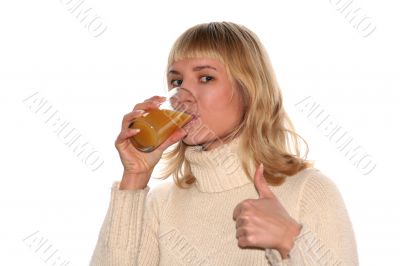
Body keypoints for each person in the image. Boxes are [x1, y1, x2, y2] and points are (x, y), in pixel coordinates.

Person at [90, 22, 358, 265]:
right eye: (176, 81)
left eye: (205, 77)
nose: (183, 95)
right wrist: (134, 177)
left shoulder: (308, 191)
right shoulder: (161, 204)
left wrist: (289, 242)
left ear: (249, 90)